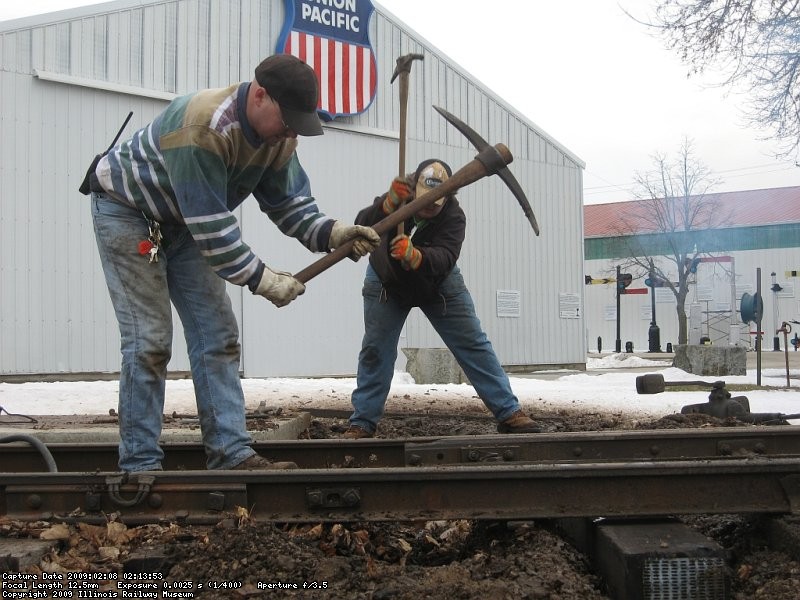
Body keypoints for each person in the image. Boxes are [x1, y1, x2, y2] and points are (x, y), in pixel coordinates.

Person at [85, 54, 380, 471]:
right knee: (149, 340)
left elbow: (290, 205)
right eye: (288, 121)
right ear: (260, 95)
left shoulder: (279, 139)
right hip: (128, 213)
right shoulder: (203, 127)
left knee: (218, 335)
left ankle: (231, 454)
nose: (291, 132)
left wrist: (332, 233)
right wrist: (265, 280)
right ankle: (140, 467)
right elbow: (214, 232)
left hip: (185, 223)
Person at [345, 159, 542, 438]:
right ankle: (362, 422)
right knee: (375, 350)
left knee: (473, 344)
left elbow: (445, 256)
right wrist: (386, 205)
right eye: (425, 201)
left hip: (437, 283)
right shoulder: (397, 198)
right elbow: (361, 226)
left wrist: (416, 256)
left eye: (436, 203)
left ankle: (509, 411)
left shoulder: (454, 217)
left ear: (448, 196)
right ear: (415, 189)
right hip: (386, 280)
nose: (429, 207)